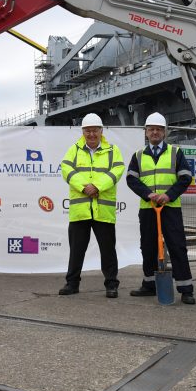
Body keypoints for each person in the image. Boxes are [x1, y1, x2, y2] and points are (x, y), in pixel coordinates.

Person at [126, 112, 196, 304]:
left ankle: (185, 289)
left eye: (158, 129)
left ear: (165, 132)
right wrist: (148, 194)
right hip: (148, 208)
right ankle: (149, 284)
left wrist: (168, 195)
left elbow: (185, 177)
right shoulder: (138, 156)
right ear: (146, 132)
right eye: (151, 129)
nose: (155, 132)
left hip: (170, 208)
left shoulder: (175, 152)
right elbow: (131, 179)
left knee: (177, 246)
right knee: (147, 246)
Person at [59, 113, 125, 298]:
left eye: (95, 130)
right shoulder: (74, 150)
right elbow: (66, 169)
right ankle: (72, 284)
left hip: (103, 210)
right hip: (80, 211)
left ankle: (111, 285)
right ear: (83, 132)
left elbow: (117, 170)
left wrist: (97, 186)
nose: (91, 134)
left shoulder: (113, 150)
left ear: (101, 131)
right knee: (76, 250)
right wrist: (83, 187)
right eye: (88, 131)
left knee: (108, 250)